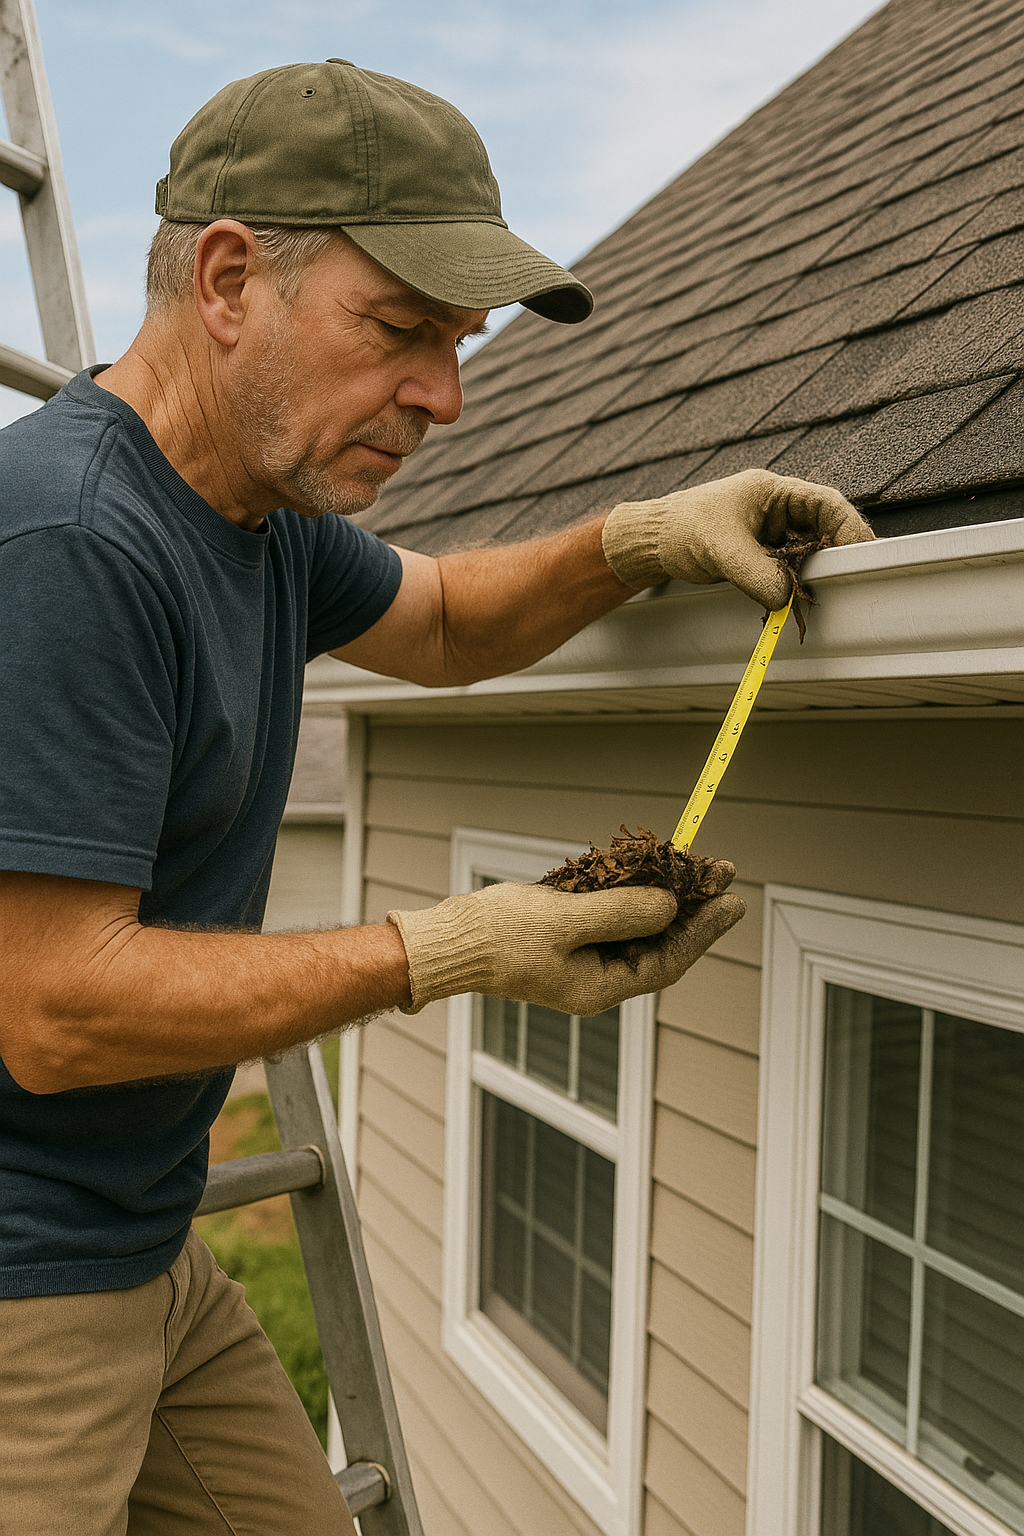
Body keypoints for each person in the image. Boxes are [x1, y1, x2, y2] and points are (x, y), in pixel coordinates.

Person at [0, 59, 873, 1535]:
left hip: (147, 1248)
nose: (447, 400)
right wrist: (458, 950)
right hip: (27, 1287)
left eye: (458, 345)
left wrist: (648, 535)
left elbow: (454, 620)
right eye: (403, 331)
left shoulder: (255, 516)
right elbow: (53, 1008)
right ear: (228, 280)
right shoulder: (76, 544)